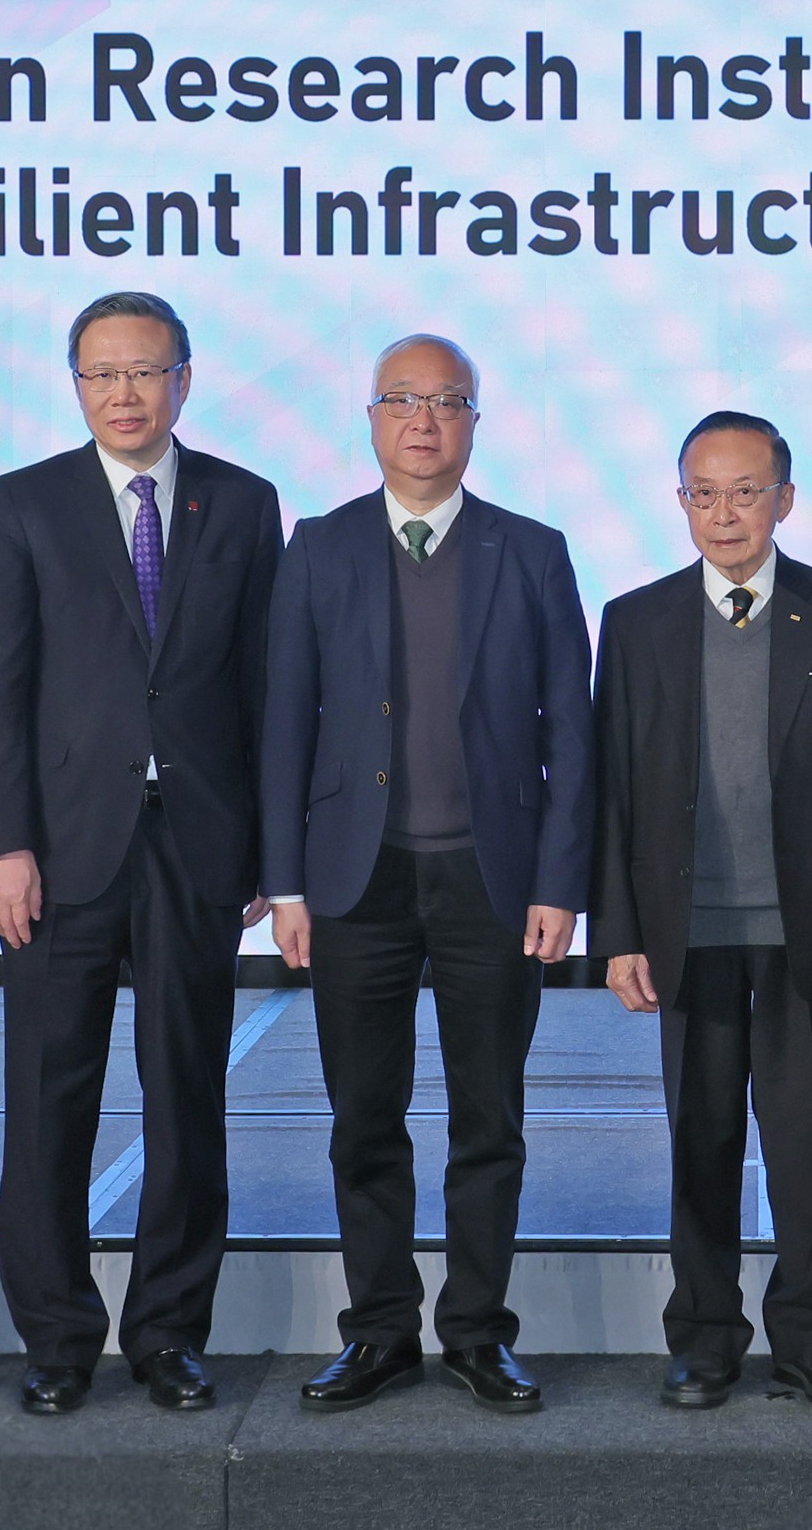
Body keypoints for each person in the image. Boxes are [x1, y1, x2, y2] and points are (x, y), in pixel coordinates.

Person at [0, 292, 283, 1416]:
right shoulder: (28, 501)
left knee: (184, 1100)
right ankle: (54, 1339)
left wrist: (261, 849)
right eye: (101, 375)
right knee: (48, 1102)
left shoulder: (243, 503)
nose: (124, 394)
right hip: (54, 853)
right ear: (75, 385)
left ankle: (165, 1335)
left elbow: (261, 689)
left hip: (196, 848)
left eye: (144, 372)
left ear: (184, 380)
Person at [262, 333, 591, 1415]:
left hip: (492, 883)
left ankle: (477, 1333)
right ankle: (378, 1332)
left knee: (487, 1120)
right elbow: (283, 724)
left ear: (473, 423)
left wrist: (560, 881)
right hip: (354, 881)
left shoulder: (531, 551)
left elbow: (571, 732)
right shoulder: (319, 546)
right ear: (369, 417)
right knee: (364, 1116)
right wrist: (287, 882)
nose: (423, 420)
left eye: (447, 401)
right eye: (402, 399)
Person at [593, 411, 812, 1411]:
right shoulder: (635, 621)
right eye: (702, 492)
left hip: (804, 934)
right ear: (679, 499)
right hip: (685, 934)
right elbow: (611, 791)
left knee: (807, 1148)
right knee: (701, 1141)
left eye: (744, 491)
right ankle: (702, 1340)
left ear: (784, 499)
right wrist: (619, 934)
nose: (723, 514)